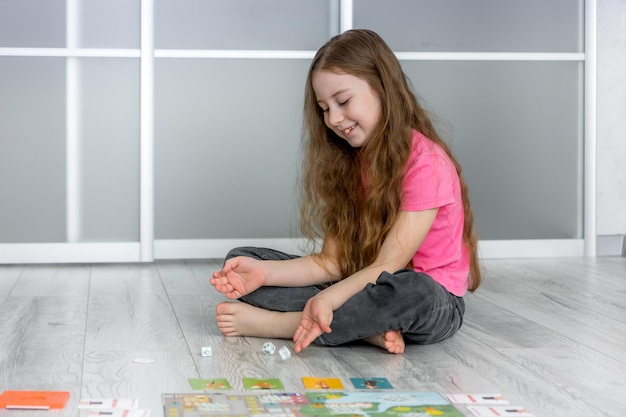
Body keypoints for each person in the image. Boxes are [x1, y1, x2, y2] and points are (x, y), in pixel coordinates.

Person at [209, 29, 481, 354]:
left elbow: (390, 264)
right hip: (358, 283)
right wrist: (264, 272)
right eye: (324, 108)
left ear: (382, 88)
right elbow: (332, 263)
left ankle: (283, 324)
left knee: (412, 292)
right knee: (241, 262)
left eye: (343, 101)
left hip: (425, 297)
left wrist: (328, 297)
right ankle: (363, 327)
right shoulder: (351, 161)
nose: (334, 119)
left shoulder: (426, 163)